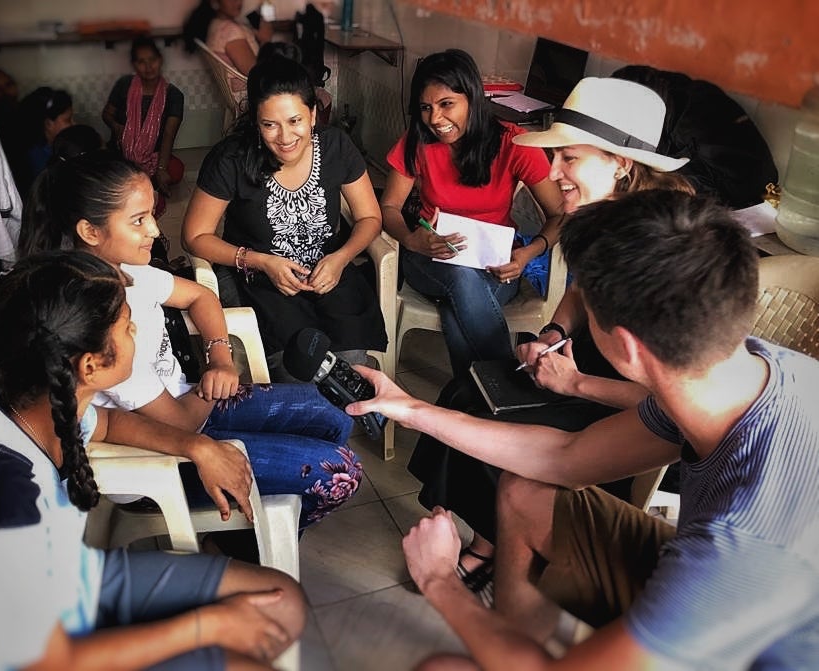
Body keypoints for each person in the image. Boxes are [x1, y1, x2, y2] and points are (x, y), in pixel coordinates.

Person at [348, 190, 819, 669]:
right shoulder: (750, 369)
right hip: (735, 586)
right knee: (525, 491)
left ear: (629, 349)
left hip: (746, 625)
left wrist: (439, 580)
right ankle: (514, 641)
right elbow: (566, 457)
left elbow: (735, 561)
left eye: (588, 314)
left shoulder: (741, 550)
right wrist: (410, 408)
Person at [0, 250, 305, 670]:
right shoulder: (0, 494)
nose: (136, 329)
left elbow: (104, 423)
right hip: (27, 655)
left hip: (74, 580)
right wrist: (205, 626)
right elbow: (50, 661)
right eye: (127, 326)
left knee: (279, 603)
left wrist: (196, 446)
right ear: (91, 365)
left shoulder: (32, 397)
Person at [406, 76, 695, 601]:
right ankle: (490, 536)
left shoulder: (661, 256)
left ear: (620, 164)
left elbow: (675, 405)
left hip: (626, 409)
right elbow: (582, 294)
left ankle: (498, 541)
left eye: (570, 160)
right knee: (467, 390)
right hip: (582, 370)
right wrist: (554, 332)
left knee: (487, 413)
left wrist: (578, 384)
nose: (553, 172)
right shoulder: (596, 219)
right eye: (555, 157)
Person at [19, 151, 363, 529]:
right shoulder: (99, 326)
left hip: (189, 407)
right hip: (160, 455)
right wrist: (208, 389)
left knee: (336, 412)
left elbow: (201, 296)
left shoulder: (128, 271)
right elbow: (179, 423)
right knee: (339, 472)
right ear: (90, 231)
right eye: (138, 220)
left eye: (151, 214)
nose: (154, 229)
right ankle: (246, 543)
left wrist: (221, 359)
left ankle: (262, 517)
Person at [182, 55, 387, 379]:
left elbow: (369, 218)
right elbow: (194, 236)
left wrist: (341, 258)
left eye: (295, 121)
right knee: (297, 368)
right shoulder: (231, 159)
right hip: (257, 278)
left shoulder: (336, 146)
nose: (285, 137)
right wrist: (261, 262)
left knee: (350, 367)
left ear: (313, 114)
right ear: (255, 122)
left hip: (327, 270)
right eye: (269, 125)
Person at [380, 49, 565, 377]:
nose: (435, 119)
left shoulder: (513, 143)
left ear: (473, 98)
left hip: (495, 266)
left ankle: (474, 399)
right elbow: (389, 207)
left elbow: (559, 214)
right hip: (429, 260)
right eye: (426, 108)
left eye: (446, 104)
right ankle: (510, 385)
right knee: (461, 278)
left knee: (459, 308)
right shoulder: (417, 143)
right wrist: (412, 240)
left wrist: (527, 254)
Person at [102, 35, 186, 203]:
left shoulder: (174, 95)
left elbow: (169, 134)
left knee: (176, 170)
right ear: (134, 65)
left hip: (153, 156)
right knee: (108, 170)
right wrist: (117, 127)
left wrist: (161, 169)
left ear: (160, 60)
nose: (148, 67)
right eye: (141, 62)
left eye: (152, 60)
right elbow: (106, 114)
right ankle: (134, 176)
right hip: (122, 152)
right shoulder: (124, 85)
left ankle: (139, 177)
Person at [184, 0, 273, 105]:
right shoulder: (230, 31)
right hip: (250, 97)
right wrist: (265, 41)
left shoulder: (216, 24)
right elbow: (256, 73)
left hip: (240, 97)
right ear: (215, 2)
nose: (238, 2)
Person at [19, 85, 74, 192]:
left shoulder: (53, 149)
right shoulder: (36, 158)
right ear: (49, 123)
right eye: (68, 120)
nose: (73, 124)